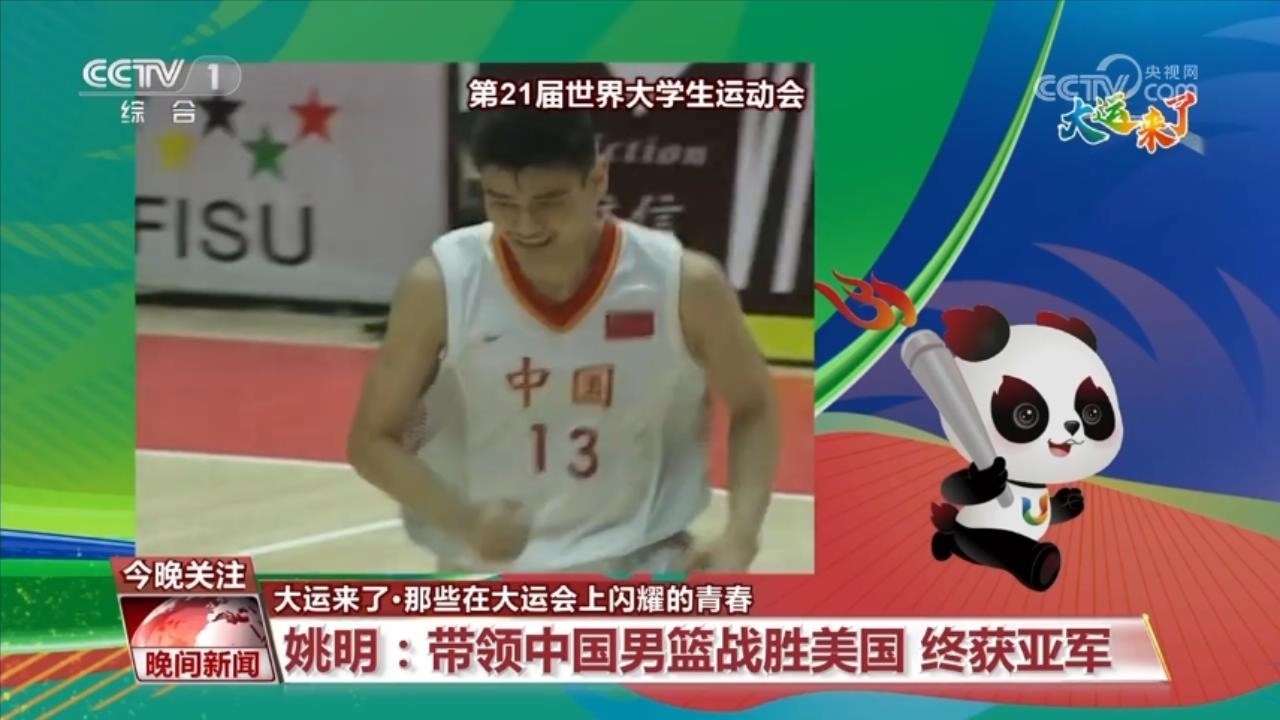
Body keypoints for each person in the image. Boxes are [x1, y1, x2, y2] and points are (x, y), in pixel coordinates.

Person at [346, 107, 779, 574]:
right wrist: (465, 520)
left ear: (597, 179)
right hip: (487, 565)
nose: (526, 224)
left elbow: (754, 405)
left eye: (549, 201)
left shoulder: (682, 282)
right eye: (501, 201)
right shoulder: (441, 284)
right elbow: (371, 440)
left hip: (643, 557)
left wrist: (742, 535)